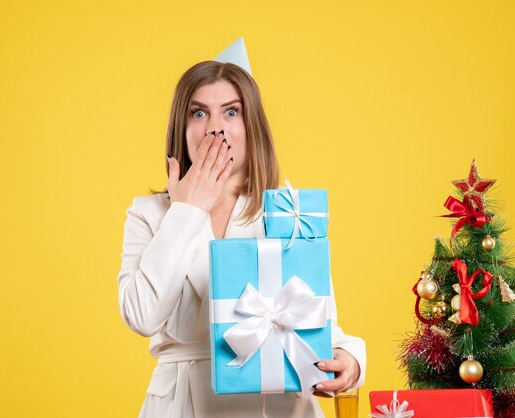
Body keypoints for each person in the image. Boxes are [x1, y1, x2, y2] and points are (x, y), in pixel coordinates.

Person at [117, 39, 366, 418]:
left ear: (252, 126)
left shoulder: (289, 211)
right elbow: (141, 316)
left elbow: (314, 319)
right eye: (199, 114)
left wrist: (351, 356)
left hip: (276, 405)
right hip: (182, 403)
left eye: (230, 112)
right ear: (181, 128)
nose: (215, 129)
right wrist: (187, 211)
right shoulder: (150, 213)